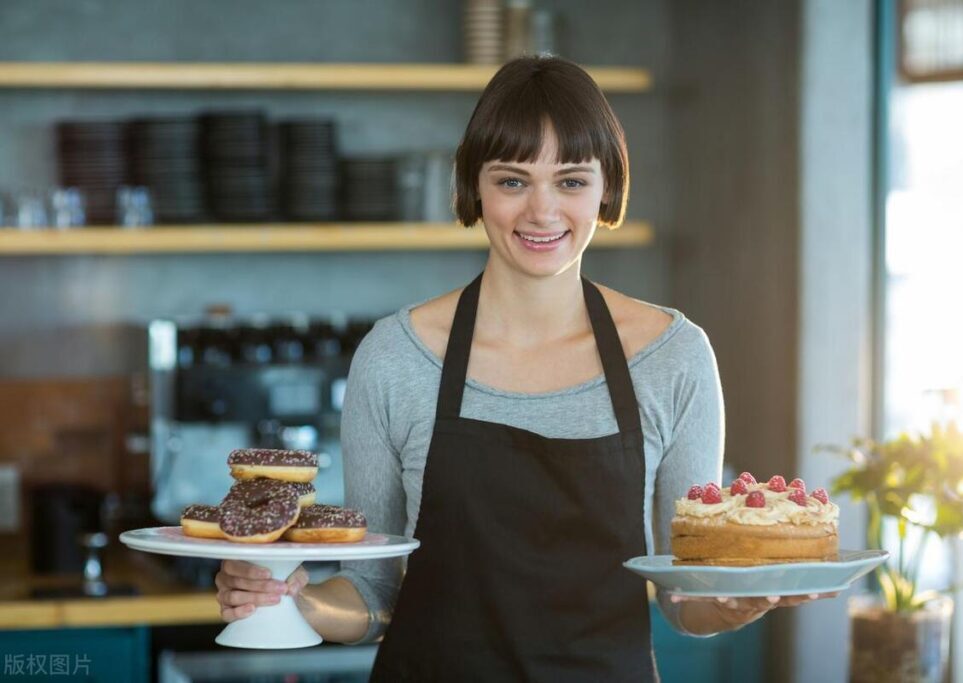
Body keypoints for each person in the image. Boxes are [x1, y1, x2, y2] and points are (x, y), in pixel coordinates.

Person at [215, 55, 833, 681]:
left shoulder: (673, 357)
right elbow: (373, 594)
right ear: (472, 189)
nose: (542, 212)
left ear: (608, 189)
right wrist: (295, 600)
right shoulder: (395, 356)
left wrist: (740, 603)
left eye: (571, 181)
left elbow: (685, 596)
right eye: (512, 181)